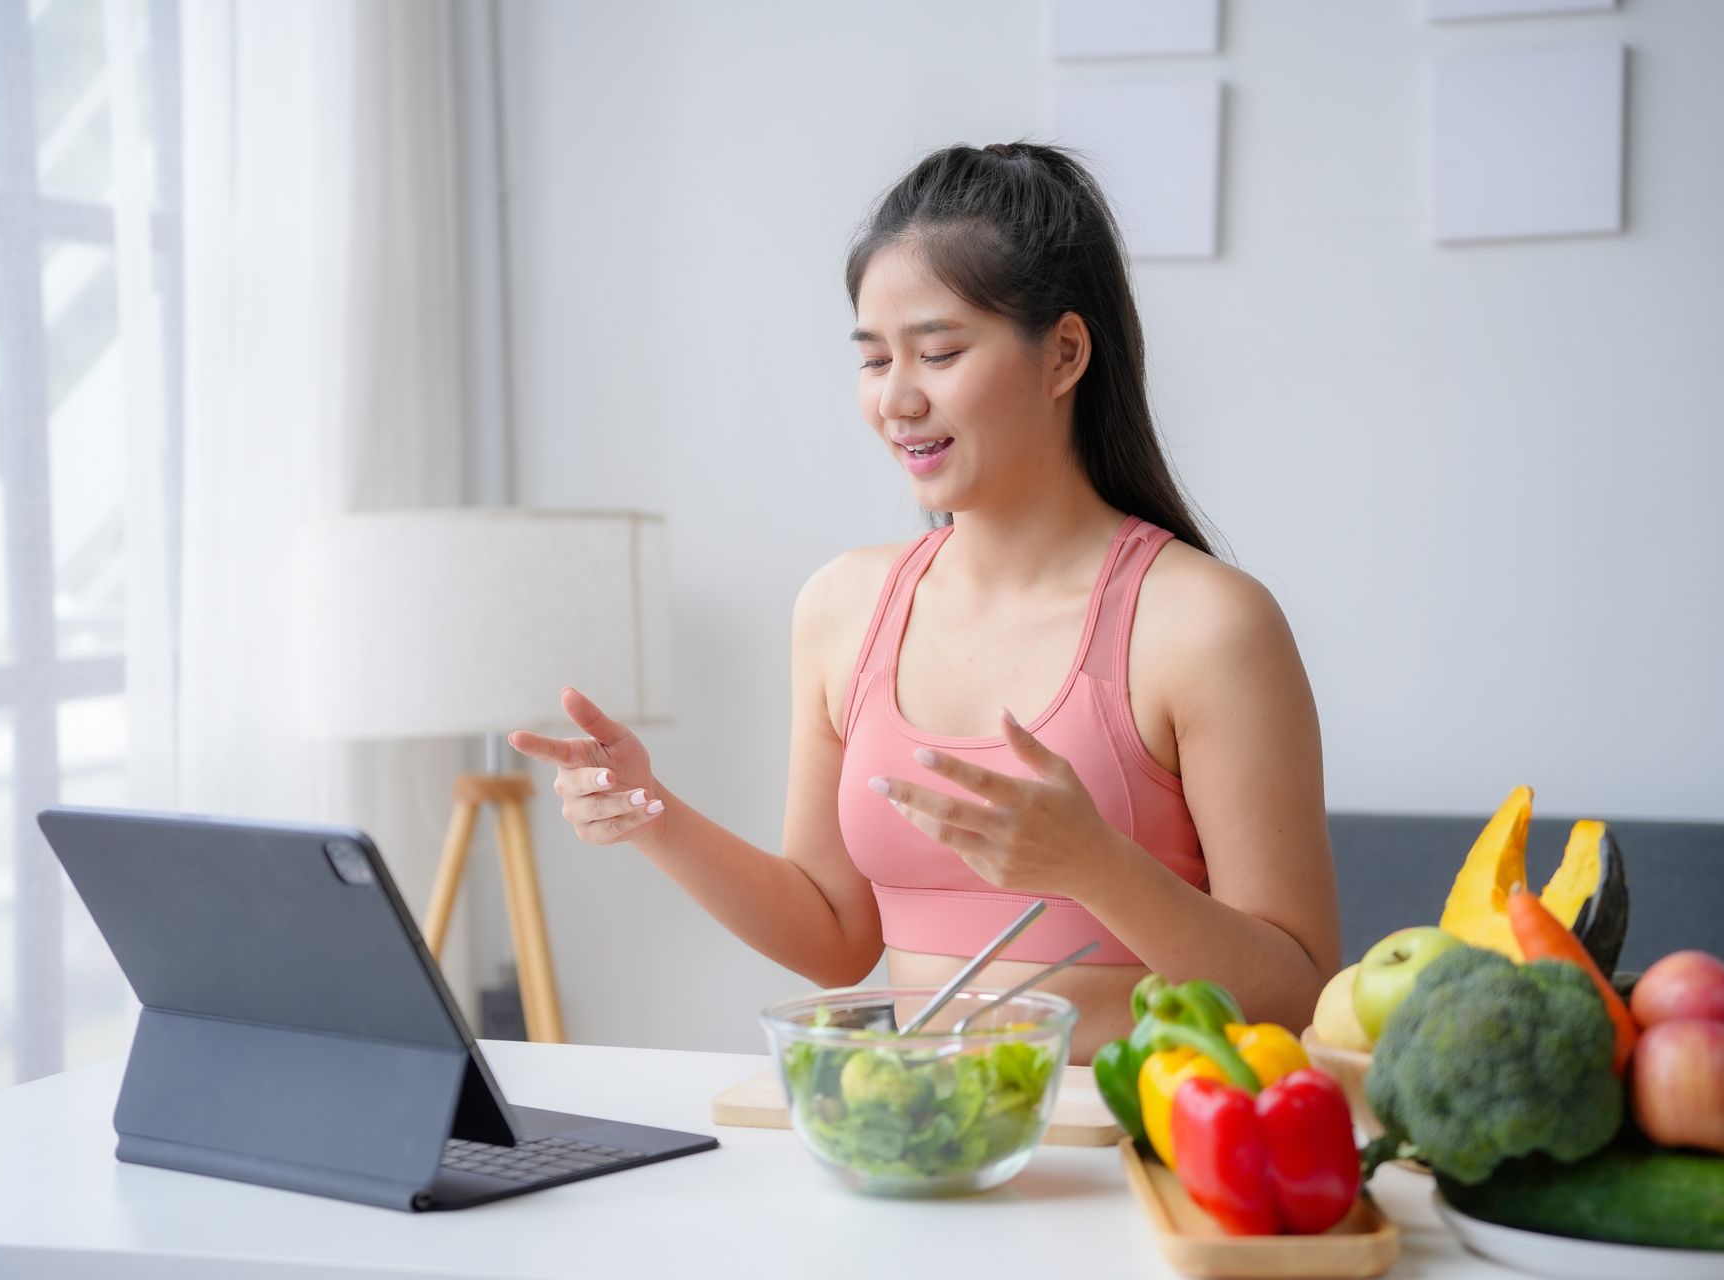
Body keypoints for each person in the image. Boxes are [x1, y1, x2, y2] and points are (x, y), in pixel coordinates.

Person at [510, 141, 1340, 1063]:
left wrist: (1095, 866)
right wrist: (651, 812)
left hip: (1131, 1153)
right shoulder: (843, 607)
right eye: (874, 360)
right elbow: (833, 937)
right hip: (924, 1141)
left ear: (1063, 353)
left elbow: (1297, 995)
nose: (897, 399)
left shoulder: (1205, 624)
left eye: (939, 352)